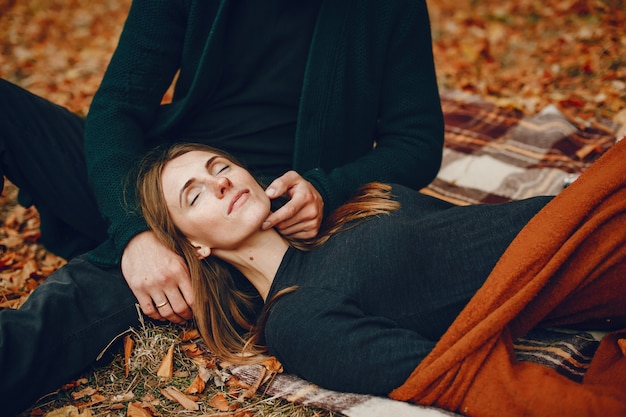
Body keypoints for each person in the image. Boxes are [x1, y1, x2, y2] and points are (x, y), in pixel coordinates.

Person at [0, 0, 444, 414]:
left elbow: (416, 142)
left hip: (250, 218)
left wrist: (327, 188)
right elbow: (117, 108)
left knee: (58, 319)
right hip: (162, 170)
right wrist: (134, 230)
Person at [136, 142, 626, 416]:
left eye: (219, 166)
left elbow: (477, 232)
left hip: (588, 210)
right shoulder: (297, 318)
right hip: (600, 260)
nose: (220, 181)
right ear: (193, 245)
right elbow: (456, 378)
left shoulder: (341, 209)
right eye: (194, 195)